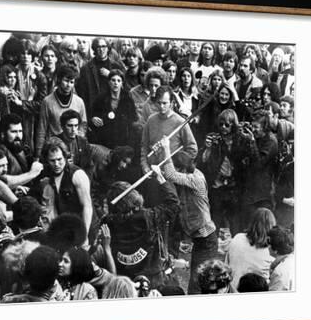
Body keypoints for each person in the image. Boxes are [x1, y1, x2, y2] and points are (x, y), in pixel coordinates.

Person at [158, 139, 218, 294]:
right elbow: (169, 173)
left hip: (207, 239)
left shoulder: (195, 179)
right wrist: (160, 161)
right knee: (198, 281)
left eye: (179, 169)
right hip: (200, 239)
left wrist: (165, 148)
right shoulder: (189, 175)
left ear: (183, 169)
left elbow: (171, 174)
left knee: (198, 284)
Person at [105, 165, 181, 287]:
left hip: (125, 279)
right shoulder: (148, 217)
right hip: (152, 278)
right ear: (132, 196)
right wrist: (160, 178)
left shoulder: (108, 221)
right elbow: (173, 204)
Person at [198, 109, 253, 235]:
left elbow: (248, 160)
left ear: (233, 125)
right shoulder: (214, 138)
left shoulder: (240, 139)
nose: (223, 127)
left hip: (234, 186)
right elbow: (203, 161)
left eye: (227, 125)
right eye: (221, 124)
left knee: (235, 221)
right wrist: (207, 148)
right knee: (215, 218)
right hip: (217, 185)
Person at [32, 141, 95, 248]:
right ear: (47, 160)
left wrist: (84, 235)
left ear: (65, 157)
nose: (56, 164)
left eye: (59, 159)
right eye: (52, 161)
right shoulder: (45, 175)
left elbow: (87, 207)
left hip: (83, 225)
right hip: (63, 228)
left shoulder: (78, 175)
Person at [140, 86, 198, 176]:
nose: (161, 106)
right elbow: (144, 146)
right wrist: (145, 166)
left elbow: (192, 150)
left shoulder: (180, 122)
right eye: (159, 103)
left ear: (171, 103)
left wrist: (177, 169)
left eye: (165, 103)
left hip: (172, 176)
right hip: (152, 173)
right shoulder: (151, 120)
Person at [35, 65, 87, 157]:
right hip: (54, 148)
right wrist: (38, 155)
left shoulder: (79, 102)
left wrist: (78, 139)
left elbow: (83, 124)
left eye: (72, 82)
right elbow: (42, 130)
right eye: (66, 81)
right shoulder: (47, 101)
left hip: (74, 148)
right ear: (59, 80)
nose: (68, 85)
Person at [225, 207, 276, 288]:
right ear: (271, 227)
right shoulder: (266, 252)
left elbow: (227, 264)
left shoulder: (237, 237)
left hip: (230, 287)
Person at [13, 39, 48, 151]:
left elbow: (42, 103)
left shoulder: (39, 76)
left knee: (32, 148)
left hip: (34, 119)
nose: (25, 56)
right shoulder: (11, 72)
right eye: (23, 53)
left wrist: (22, 103)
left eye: (29, 54)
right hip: (15, 116)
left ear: (33, 56)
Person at [76, 37, 124, 117]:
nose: (101, 50)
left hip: (113, 109)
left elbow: (123, 88)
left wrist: (110, 75)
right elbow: (83, 94)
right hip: (94, 110)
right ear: (94, 49)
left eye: (104, 46)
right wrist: (89, 115)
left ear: (108, 48)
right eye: (98, 47)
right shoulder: (86, 68)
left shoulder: (116, 66)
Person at [90, 69, 138, 149]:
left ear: (122, 83)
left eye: (119, 81)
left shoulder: (127, 99)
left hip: (122, 139)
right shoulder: (101, 98)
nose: (116, 83)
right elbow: (92, 114)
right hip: (104, 139)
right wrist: (93, 119)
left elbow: (133, 118)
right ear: (109, 82)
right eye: (113, 80)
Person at [53, 109, 94, 174]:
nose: (73, 129)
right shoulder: (54, 142)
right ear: (62, 126)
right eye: (70, 126)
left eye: (76, 125)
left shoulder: (83, 142)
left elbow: (89, 167)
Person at [268, 226, 295, 291]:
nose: (267, 246)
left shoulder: (278, 273)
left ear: (275, 250)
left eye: (268, 242)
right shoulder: (293, 260)